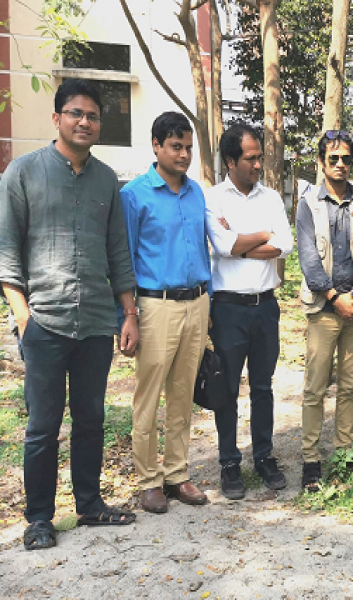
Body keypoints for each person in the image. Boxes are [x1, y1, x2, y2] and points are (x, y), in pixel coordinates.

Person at [0, 79, 139, 549]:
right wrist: (23, 317)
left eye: (93, 115)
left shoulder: (106, 181)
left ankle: (89, 505)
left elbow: (118, 252)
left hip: (98, 323)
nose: (85, 121)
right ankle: (38, 518)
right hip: (44, 322)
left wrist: (129, 313)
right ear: (57, 118)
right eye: (76, 113)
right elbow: (6, 252)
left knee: (91, 418)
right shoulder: (23, 173)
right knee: (42, 426)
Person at [121, 112, 212, 514]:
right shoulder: (135, 195)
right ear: (156, 146)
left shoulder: (196, 193)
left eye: (189, 147)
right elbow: (122, 259)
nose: (184, 154)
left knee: (182, 394)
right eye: (176, 146)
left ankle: (177, 474)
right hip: (155, 305)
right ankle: (147, 480)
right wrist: (127, 315)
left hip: (197, 303)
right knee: (149, 395)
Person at [205, 124, 294, 500]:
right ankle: (228, 462)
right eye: (251, 158)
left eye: (259, 156)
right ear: (231, 161)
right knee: (226, 388)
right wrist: (262, 234)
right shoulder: (212, 199)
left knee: (262, 386)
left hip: (265, 308)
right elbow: (223, 246)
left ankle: (263, 456)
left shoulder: (271, 197)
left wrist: (243, 239)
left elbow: (285, 244)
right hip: (228, 308)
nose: (259, 163)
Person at [296, 131, 353, 492]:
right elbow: (309, 260)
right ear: (321, 163)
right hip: (323, 310)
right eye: (333, 159)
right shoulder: (307, 205)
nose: (341, 164)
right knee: (315, 387)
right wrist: (335, 297)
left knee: (348, 386)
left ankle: (343, 454)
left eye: (346, 158)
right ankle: (310, 459)